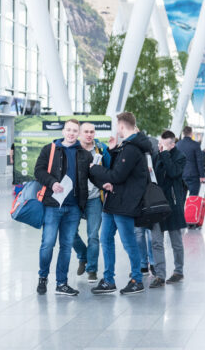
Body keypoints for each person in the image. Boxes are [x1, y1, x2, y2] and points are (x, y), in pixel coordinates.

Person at [89, 112, 152, 295]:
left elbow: (117, 175)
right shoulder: (126, 147)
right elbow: (119, 169)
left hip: (125, 203)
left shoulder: (132, 148)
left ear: (122, 126)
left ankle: (136, 279)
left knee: (128, 241)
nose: (117, 129)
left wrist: (95, 169)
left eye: (118, 126)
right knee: (105, 239)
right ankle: (108, 280)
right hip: (115, 200)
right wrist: (112, 149)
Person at [34, 119, 92, 296]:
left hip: (73, 207)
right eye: (69, 130)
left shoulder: (84, 154)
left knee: (66, 247)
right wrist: (52, 183)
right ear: (63, 131)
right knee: (48, 244)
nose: (71, 133)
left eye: (75, 130)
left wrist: (107, 183)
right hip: (52, 205)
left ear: (79, 133)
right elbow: (38, 171)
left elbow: (92, 175)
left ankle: (62, 283)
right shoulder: (49, 149)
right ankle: (43, 277)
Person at [72, 122, 111, 283]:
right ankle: (83, 255)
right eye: (86, 132)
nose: (89, 134)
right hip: (74, 198)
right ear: (80, 133)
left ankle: (92, 269)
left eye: (92, 132)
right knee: (70, 234)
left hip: (95, 198)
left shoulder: (101, 150)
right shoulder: (72, 150)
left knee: (93, 236)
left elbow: (109, 171)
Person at [149, 130, 188, 288]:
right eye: (159, 143)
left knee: (176, 241)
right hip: (157, 204)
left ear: (172, 144)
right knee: (156, 242)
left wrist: (165, 154)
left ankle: (178, 271)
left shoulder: (180, 157)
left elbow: (173, 172)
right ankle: (160, 275)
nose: (160, 146)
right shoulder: (157, 155)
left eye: (163, 144)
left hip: (172, 204)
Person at [176, 126, 205, 195]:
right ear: (191, 133)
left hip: (181, 175)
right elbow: (199, 161)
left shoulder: (178, 144)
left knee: (181, 198)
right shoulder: (195, 145)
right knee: (193, 199)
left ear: (183, 133)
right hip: (193, 176)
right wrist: (202, 176)